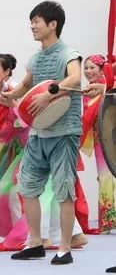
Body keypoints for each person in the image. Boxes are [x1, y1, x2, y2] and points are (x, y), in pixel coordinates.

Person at [1, 1, 83, 265]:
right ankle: (35, 243)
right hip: (38, 131)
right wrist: (8, 96)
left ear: (52, 24)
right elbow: (26, 85)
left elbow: (74, 78)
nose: (32, 26)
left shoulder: (69, 53)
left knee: (63, 189)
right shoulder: (35, 58)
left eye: (36, 21)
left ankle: (65, 248)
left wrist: (50, 94)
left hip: (64, 132)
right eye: (32, 21)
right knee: (27, 187)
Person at [81, 54, 115, 233]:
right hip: (101, 137)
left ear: (102, 70)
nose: (88, 71)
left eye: (92, 67)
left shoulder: (111, 85)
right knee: (105, 176)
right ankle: (108, 221)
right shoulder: (87, 92)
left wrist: (103, 88)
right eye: (85, 68)